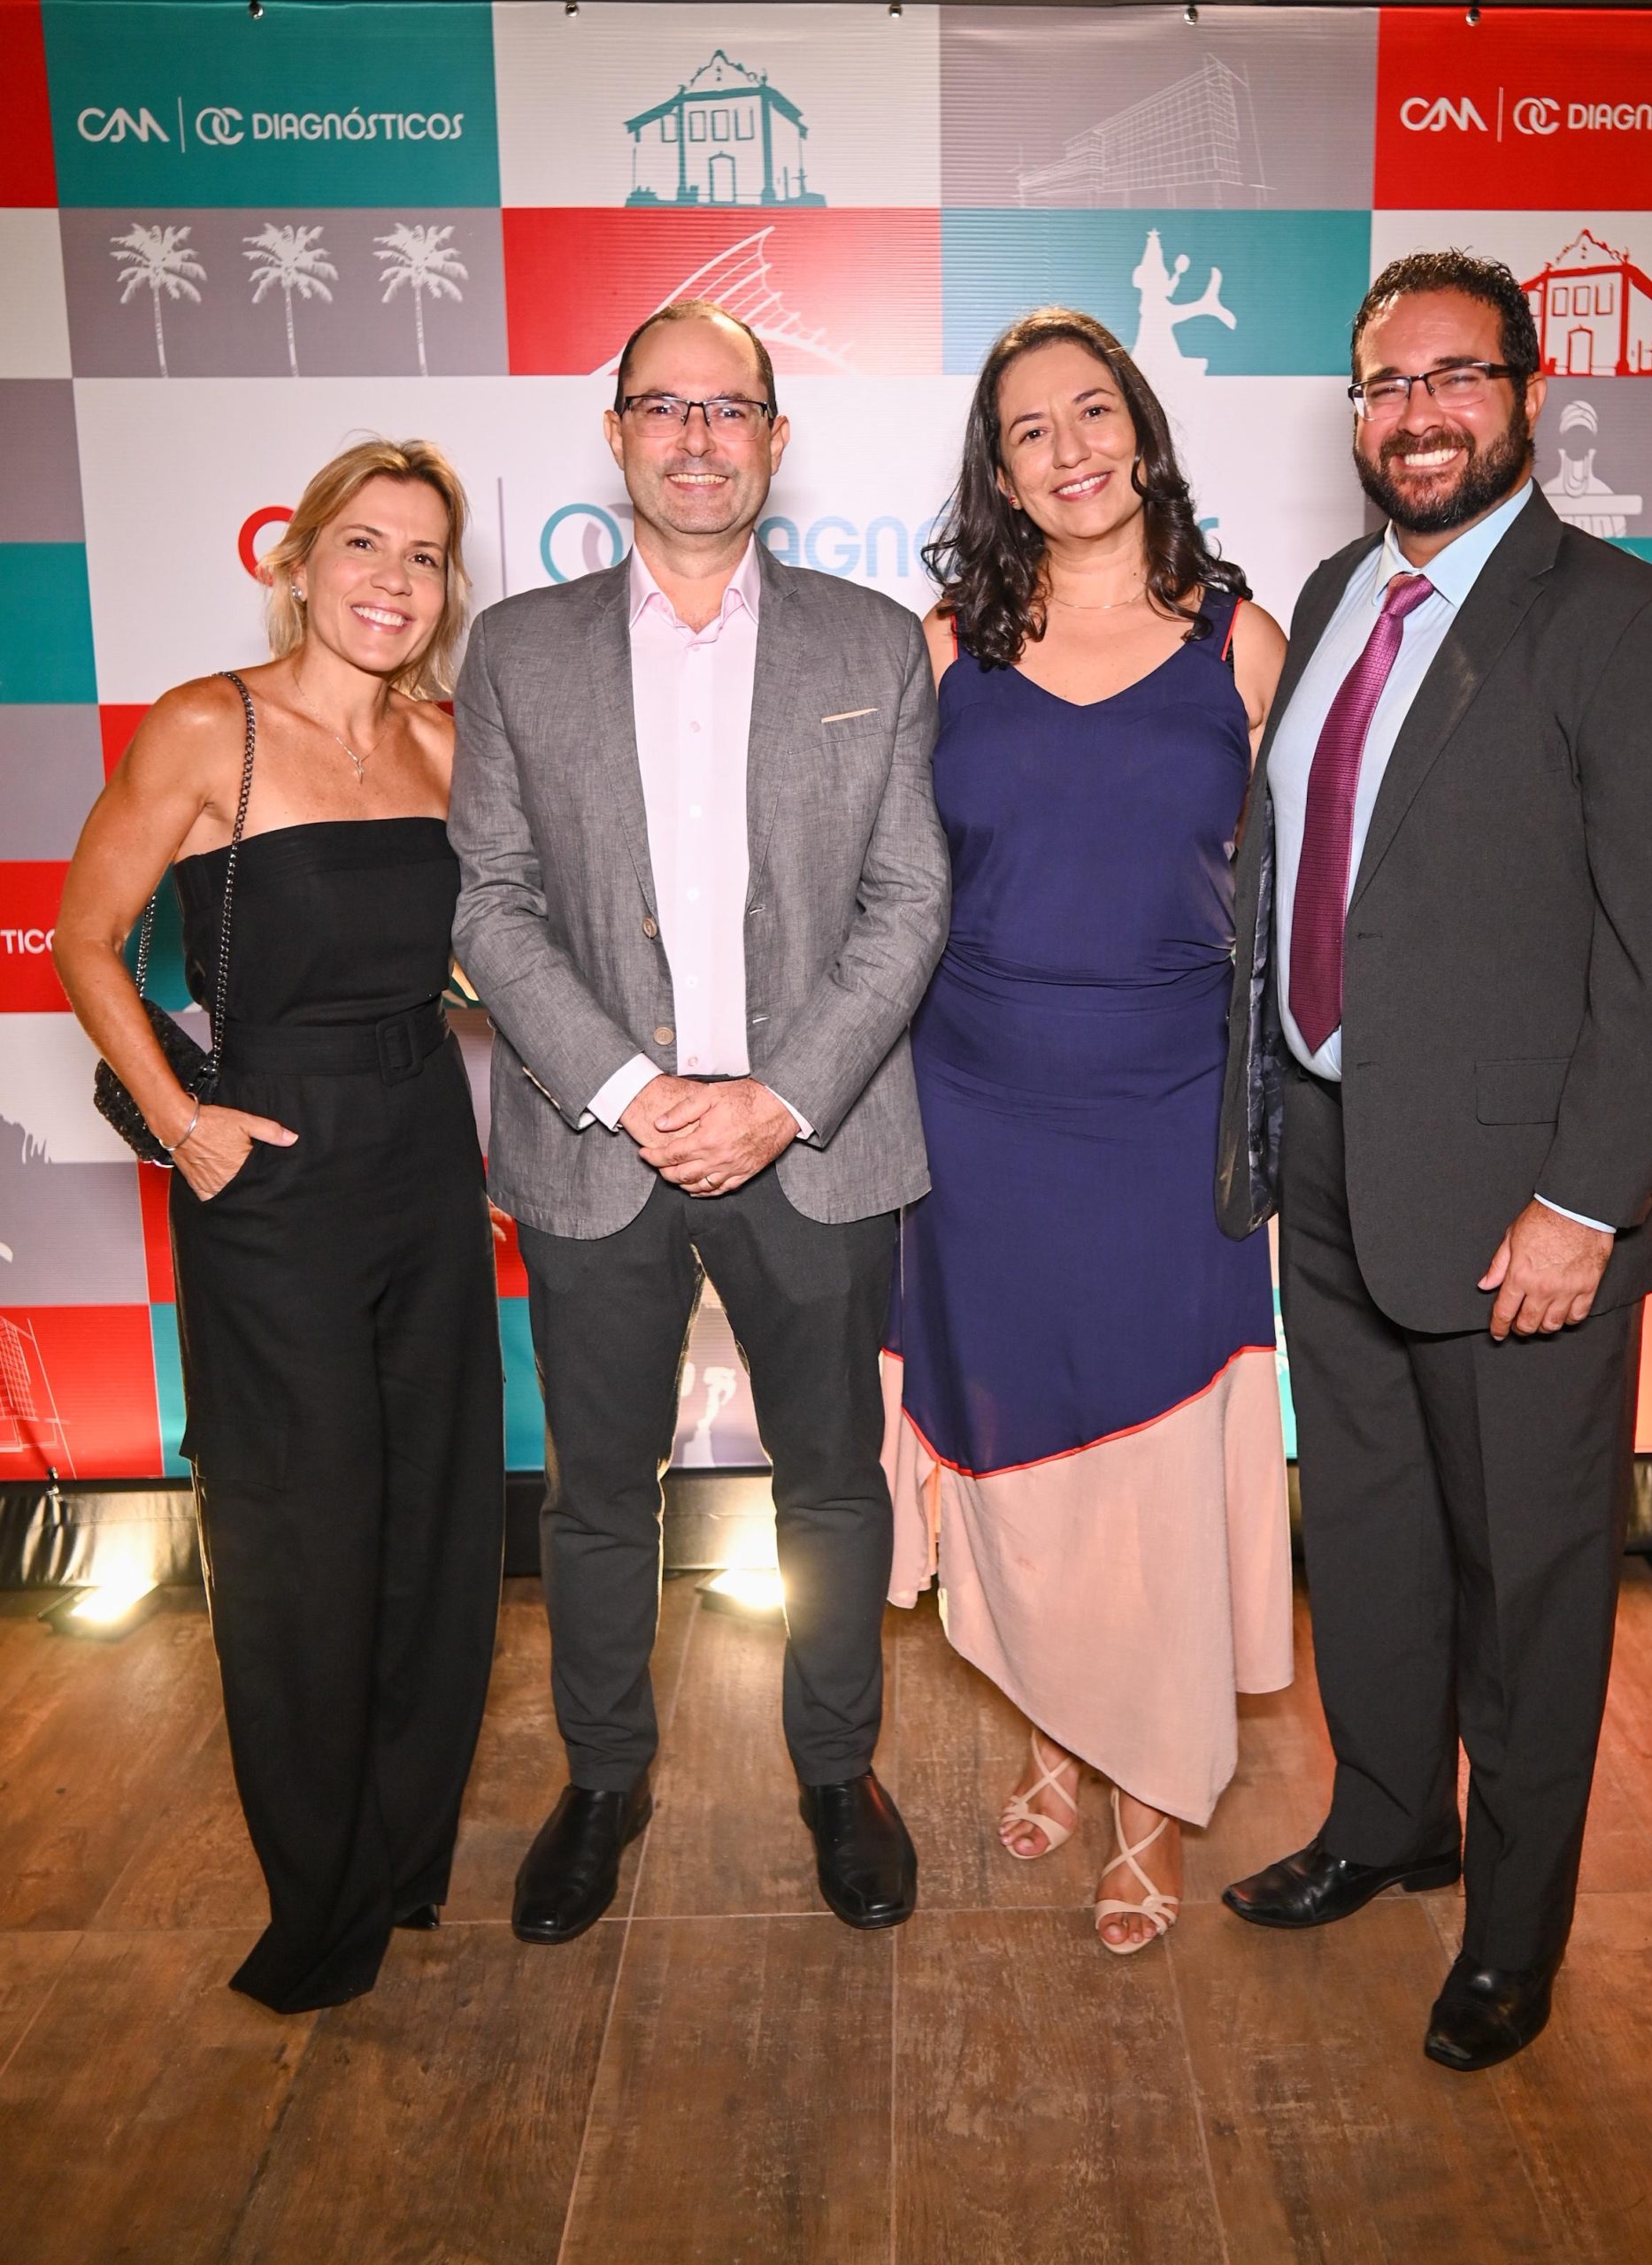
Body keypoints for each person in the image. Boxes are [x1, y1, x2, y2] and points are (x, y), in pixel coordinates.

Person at [1217, 251, 1652, 2067]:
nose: (1418, 414)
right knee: (1370, 1534)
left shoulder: (1634, 624)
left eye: (1455, 377)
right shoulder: (1330, 594)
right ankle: (1390, 1821)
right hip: (1331, 1160)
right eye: (1385, 384)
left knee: (1526, 1584)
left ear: (1525, 393)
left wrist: (1583, 1203)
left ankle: (1514, 1937)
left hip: (1521, 1209)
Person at [449, 301, 949, 1944]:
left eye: (728, 406)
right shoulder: (515, 648)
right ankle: (604, 1782)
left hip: (815, 1142)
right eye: (662, 406)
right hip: (598, 1147)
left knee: (834, 1486)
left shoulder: (873, 644)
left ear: (774, 439)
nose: (695, 436)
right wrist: (634, 1091)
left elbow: (908, 900)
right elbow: (493, 901)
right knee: (598, 1494)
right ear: (615, 434)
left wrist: (778, 1099)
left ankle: (838, 1777)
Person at [54, 439, 505, 2014]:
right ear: (299, 561)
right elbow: (84, 937)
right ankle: (320, 1905)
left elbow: (492, 950)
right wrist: (180, 1123)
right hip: (272, 1167)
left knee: (439, 1518)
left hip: (425, 1148)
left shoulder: (446, 742)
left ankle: (403, 1860)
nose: (394, 580)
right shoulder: (208, 725)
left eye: (425, 556)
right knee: (302, 1540)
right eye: (364, 545)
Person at [884, 306, 1295, 1955]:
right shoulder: (941, 651)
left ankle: (1153, 1795)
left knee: (1157, 1461)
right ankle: (1058, 1729)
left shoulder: (1240, 645)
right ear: (997, 471)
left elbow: (1308, 900)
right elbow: (880, 886)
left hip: (1168, 1113)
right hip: (973, 1106)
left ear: (1142, 431)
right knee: (1015, 1444)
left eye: (1092, 412)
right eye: (1028, 430)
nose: (1068, 450)